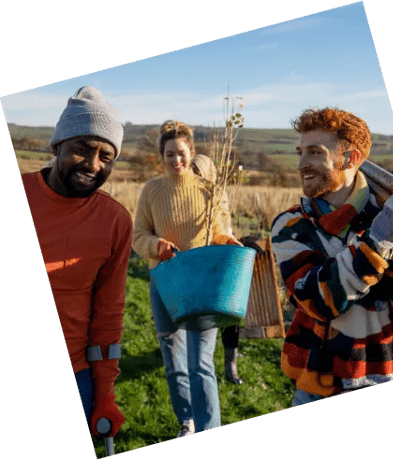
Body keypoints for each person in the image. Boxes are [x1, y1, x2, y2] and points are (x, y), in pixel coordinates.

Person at [271, 107, 393, 405]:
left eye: (314, 152)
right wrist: (377, 242)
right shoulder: (291, 226)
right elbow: (320, 299)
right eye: (300, 152)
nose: (300, 164)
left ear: (350, 158)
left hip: (391, 374)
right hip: (319, 388)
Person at [21, 86, 132, 437]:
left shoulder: (114, 221)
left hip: (73, 373)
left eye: (106, 155)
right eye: (81, 149)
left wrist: (106, 393)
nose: (93, 165)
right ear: (57, 146)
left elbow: (108, 314)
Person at [132, 121, 239, 437]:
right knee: (174, 360)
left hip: (203, 285)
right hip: (164, 281)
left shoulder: (209, 190)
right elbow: (139, 235)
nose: (176, 160)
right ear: (161, 157)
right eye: (169, 154)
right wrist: (156, 246)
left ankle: (210, 428)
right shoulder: (151, 191)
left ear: (191, 153)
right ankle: (187, 421)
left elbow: (218, 230)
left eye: (181, 153)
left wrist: (227, 241)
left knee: (201, 364)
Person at [191, 154, 243, 385]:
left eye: (197, 170)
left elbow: (225, 226)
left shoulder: (219, 195)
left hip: (220, 259)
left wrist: (229, 241)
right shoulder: (184, 195)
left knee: (230, 313)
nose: (192, 174)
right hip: (194, 262)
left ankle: (230, 363)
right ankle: (199, 359)